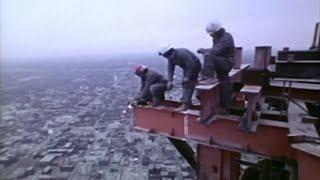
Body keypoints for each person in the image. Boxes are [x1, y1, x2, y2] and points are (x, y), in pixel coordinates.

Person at [197, 20, 235, 114]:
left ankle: (208, 77)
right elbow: (215, 50)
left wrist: (205, 51)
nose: (210, 35)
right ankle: (226, 107)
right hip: (221, 62)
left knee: (208, 56)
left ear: (217, 31)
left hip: (226, 63)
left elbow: (215, 51)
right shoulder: (216, 38)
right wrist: (206, 51)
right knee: (224, 83)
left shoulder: (226, 37)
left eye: (211, 33)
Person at [158, 45, 201, 111]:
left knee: (187, 84)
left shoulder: (182, 54)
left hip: (194, 65)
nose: (168, 58)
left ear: (171, 52)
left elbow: (191, 64)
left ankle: (186, 104)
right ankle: (187, 101)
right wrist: (170, 81)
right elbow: (170, 69)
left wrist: (187, 76)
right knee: (186, 82)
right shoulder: (170, 58)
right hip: (186, 67)